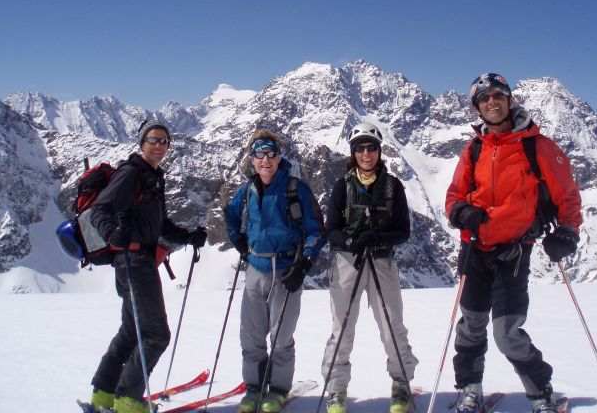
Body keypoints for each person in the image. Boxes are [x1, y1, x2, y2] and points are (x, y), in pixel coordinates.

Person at [445, 73, 583, 413]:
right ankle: (469, 389)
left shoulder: (538, 146)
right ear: (477, 108)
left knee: (507, 332)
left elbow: (568, 195)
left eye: (497, 96)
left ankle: (540, 394)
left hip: (514, 251)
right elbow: (454, 196)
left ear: (509, 100)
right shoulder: (474, 149)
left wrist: (568, 232)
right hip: (475, 249)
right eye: (484, 98)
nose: (492, 102)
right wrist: (461, 213)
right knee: (471, 325)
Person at [88, 119, 208, 413]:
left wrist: (187, 236)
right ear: (141, 143)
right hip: (134, 263)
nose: (158, 146)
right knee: (156, 335)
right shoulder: (132, 173)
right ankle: (128, 400)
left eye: (164, 141)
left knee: (131, 332)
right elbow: (99, 210)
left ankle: (103, 395)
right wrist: (111, 233)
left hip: (134, 261)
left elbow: (160, 224)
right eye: (153, 140)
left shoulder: (152, 176)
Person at [224, 129, 326, 413]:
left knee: (281, 336)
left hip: (286, 270)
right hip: (256, 269)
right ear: (252, 159)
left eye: (271, 153)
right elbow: (230, 215)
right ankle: (254, 388)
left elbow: (316, 229)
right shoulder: (247, 190)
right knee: (252, 335)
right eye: (259, 154)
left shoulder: (296, 189)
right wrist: (239, 242)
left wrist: (304, 264)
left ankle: (278, 390)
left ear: (280, 157)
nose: (265, 160)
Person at [321, 122, 419, 413]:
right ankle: (336, 388)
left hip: (381, 260)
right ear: (353, 153)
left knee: (392, 327)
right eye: (360, 148)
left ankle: (401, 382)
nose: (366, 153)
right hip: (347, 262)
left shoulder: (392, 186)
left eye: (371, 147)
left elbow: (403, 231)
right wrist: (351, 240)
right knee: (343, 328)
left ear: (378, 150)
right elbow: (331, 228)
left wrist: (376, 237)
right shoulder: (342, 186)